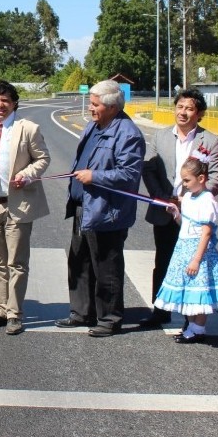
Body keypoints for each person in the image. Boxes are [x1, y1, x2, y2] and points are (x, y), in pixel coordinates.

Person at [56, 80, 145, 338]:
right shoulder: (93, 126)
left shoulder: (128, 133)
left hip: (107, 211)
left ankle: (109, 318)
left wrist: (95, 177)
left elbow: (129, 175)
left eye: (95, 104)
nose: (90, 108)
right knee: (80, 261)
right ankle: (82, 313)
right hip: (84, 206)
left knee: (106, 267)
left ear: (111, 106)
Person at [140, 88, 218, 328]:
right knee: (164, 260)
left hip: (193, 215)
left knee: (192, 264)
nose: (183, 112)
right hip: (165, 209)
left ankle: (192, 317)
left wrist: (190, 198)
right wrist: (162, 196)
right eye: (180, 107)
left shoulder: (209, 141)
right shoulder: (160, 136)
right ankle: (160, 310)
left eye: (189, 109)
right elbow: (148, 169)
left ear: (199, 113)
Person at [0, 80, 50, 335]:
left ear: (14, 103)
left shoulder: (27, 128)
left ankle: (15, 313)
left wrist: (27, 174)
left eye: (5, 100)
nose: (0, 105)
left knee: (16, 262)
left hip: (18, 203)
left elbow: (43, 158)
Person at [154, 155, 218, 343]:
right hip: (183, 248)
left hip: (198, 251)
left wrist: (196, 259)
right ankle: (193, 327)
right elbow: (185, 225)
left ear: (201, 179)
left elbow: (206, 232)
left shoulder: (206, 200)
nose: (184, 184)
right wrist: (176, 214)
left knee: (201, 290)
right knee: (190, 290)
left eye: (187, 180)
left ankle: (198, 328)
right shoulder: (188, 198)